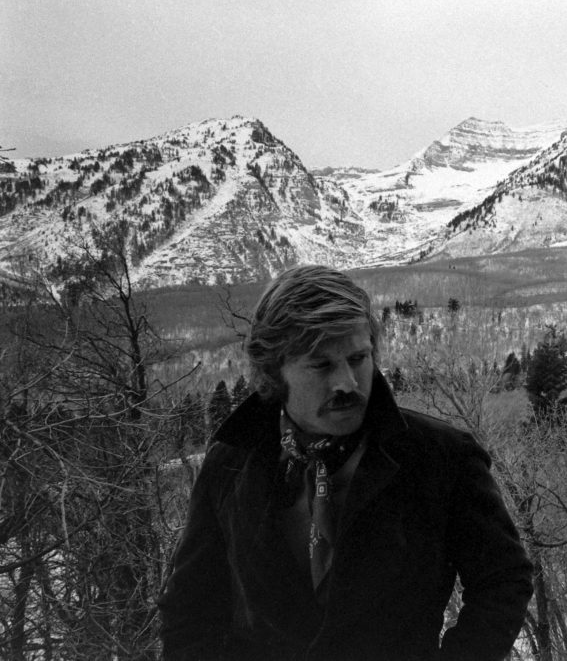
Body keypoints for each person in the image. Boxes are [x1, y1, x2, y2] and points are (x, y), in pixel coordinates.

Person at [158, 265, 534, 661]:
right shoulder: (232, 463)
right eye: (321, 365)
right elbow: (190, 606)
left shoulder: (438, 458)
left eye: (358, 358)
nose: (348, 383)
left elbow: (503, 580)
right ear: (273, 372)